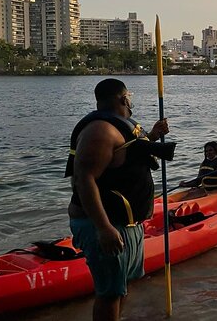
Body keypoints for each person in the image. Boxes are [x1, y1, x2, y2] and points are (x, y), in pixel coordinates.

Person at [66, 78, 173, 321]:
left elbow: (133, 150)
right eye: (129, 96)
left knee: (122, 286)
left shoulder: (122, 127)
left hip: (127, 223)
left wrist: (154, 135)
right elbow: (84, 179)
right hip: (106, 224)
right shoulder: (100, 131)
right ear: (123, 98)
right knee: (109, 293)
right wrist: (104, 228)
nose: (131, 100)